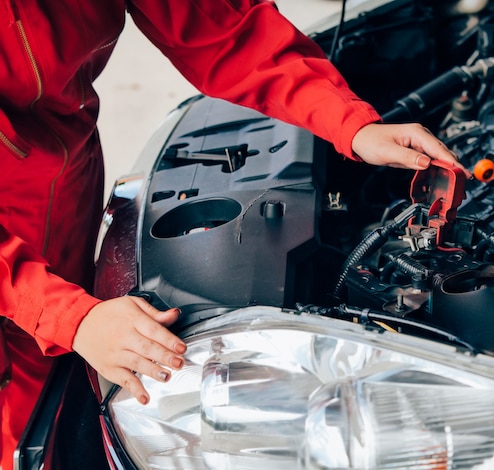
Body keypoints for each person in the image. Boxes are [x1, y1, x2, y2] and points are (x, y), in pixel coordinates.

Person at [0, 0, 466, 467]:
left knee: (66, 385)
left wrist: (351, 124)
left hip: (63, 184)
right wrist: (69, 318)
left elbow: (224, 28)